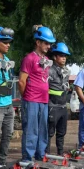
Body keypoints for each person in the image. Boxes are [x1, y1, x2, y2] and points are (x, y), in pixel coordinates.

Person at [19, 25, 55, 161]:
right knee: (31, 131)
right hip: (31, 100)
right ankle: (27, 159)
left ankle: (40, 156)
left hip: (43, 101)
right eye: (46, 43)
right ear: (38, 42)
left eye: (50, 43)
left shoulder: (46, 61)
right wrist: (27, 97)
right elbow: (21, 82)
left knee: (42, 131)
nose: (48, 46)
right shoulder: (29, 59)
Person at [0, 26, 15, 169]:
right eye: (5, 42)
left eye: (9, 42)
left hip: (9, 103)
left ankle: (2, 162)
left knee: (8, 135)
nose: (8, 45)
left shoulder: (7, 60)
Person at [46, 42, 71, 155]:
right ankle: (45, 154)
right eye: (61, 55)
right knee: (49, 133)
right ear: (55, 57)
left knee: (61, 133)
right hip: (52, 106)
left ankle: (60, 154)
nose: (64, 58)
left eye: (65, 56)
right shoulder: (49, 70)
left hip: (63, 106)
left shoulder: (66, 71)